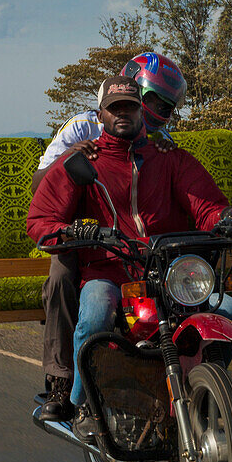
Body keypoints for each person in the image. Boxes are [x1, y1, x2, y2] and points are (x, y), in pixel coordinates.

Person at [26, 73, 232, 437]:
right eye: (115, 108)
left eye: (130, 106)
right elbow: (40, 220)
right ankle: (84, 407)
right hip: (108, 270)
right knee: (96, 313)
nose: (123, 114)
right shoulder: (86, 161)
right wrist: (73, 232)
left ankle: (202, 395)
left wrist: (226, 218)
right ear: (101, 114)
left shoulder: (171, 159)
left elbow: (206, 205)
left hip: (170, 274)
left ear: (142, 111)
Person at [33, 52, 188, 421]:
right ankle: (60, 380)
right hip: (74, 233)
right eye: (152, 99)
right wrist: (69, 157)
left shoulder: (158, 137)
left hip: (129, 245)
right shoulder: (81, 127)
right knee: (61, 278)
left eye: (163, 105)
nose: (154, 109)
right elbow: (39, 188)